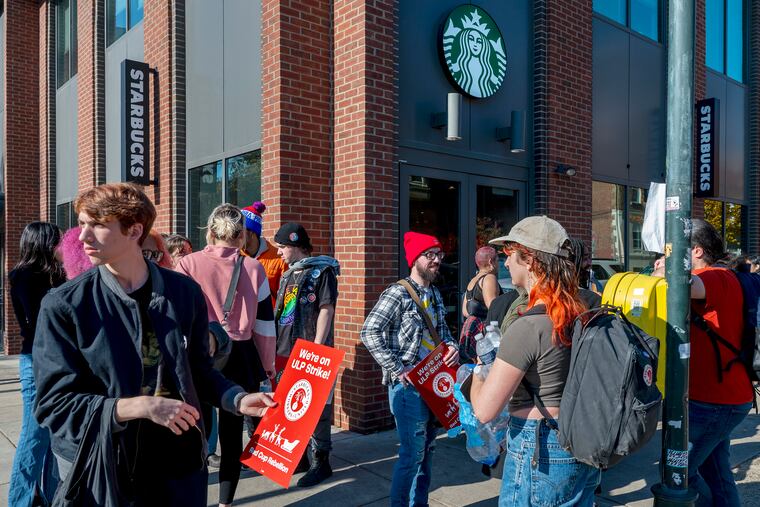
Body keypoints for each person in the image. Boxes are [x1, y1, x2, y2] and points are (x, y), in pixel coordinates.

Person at [33, 183, 276, 506]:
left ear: (134, 230)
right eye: (82, 224)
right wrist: (141, 407)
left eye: (97, 225)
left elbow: (199, 371)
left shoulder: (184, 293)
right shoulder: (66, 304)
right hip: (109, 466)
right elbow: (54, 404)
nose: (83, 237)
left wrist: (237, 398)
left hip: (179, 464)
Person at [470, 216, 600, 506]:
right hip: (582, 436)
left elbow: (484, 410)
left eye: (509, 254)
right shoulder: (587, 310)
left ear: (528, 259)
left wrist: (479, 370)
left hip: (539, 444)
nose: (505, 264)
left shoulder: (528, 326)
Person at [176, 203, 276, 507]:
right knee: (233, 438)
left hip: (199, 352)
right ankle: (225, 503)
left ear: (209, 232)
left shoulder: (187, 264)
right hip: (241, 355)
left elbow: (177, 318)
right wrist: (268, 367)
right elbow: (264, 325)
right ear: (243, 236)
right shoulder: (254, 267)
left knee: (193, 430)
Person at [653, 219, 753, 506]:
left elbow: (686, 284)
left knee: (676, 471)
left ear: (695, 251)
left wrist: (665, 271)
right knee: (717, 473)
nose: (665, 258)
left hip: (715, 402)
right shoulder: (722, 277)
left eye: (672, 251)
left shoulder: (716, 277)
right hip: (721, 398)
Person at [361, 231, 460, 507]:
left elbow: (443, 334)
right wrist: (398, 367)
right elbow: (369, 331)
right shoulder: (398, 293)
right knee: (411, 455)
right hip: (408, 389)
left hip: (434, 385)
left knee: (427, 451)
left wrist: (451, 348)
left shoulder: (435, 293)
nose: (437, 260)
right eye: (430, 255)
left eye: (439, 255)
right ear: (414, 258)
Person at [273, 222, 339, 487]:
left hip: (311, 349)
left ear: (294, 245)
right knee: (293, 404)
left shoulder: (322, 271)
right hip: (286, 349)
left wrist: (317, 348)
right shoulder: (290, 274)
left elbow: (326, 308)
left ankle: (321, 461)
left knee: (318, 407)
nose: (279, 253)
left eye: (281, 248)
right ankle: (298, 456)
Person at [8, 222, 66, 507]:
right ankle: (21, 499)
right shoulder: (26, 276)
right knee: (35, 432)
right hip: (37, 359)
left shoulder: (51, 275)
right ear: (44, 243)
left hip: (51, 359)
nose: (61, 245)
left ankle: (49, 496)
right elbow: (40, 318)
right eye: (56, 240)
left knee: (53, 433)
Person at [459, 246, 502, 362]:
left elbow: (465, 311)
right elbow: (494, 308)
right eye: (497, 260)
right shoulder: (489, 278)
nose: (498, 264)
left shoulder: (472, 281)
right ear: (490, 262)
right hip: (487, 335)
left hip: (472, 331)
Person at [240, 201, 287, 306]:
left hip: (269, 320)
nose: (236, 235)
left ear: (251, 233)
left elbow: (286, 298)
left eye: (239, 231)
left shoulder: (278, 258)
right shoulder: (234, 256)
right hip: (242, 320)